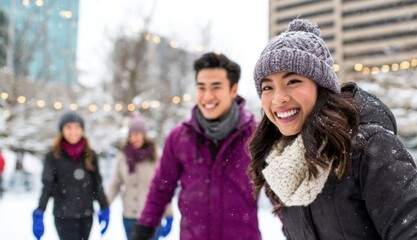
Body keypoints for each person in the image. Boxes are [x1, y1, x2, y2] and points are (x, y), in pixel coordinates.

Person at [248, 18, 417, 239]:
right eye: (267, 87)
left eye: (293, 81)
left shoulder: (370, 148)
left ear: (321, 87)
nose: (278, 98)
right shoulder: (282, 166)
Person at [131, 52, 262, 240]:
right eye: (201, 87)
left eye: (216, 87)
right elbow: (161, 188)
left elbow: (280, 195)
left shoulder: (256, 136)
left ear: (233, 90)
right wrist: (144, 227)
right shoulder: (179, 138)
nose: (207, 96)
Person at [32, 110, 110, 240]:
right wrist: (40, 211)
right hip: (63, 215)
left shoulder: (90, 154)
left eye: (77, 127)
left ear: (82, 129)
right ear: (62, 130)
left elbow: (97, 184)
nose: (73, 131)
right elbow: (47, 186)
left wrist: (104, 207)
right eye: (68, 127)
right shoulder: (53, 156)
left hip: (86, 215)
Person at [107, 113, 173, 240]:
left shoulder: (156, 156)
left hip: (152, 216)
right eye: (131, 135)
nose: (134, 138)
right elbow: (115, 183)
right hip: (129, 216)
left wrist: (169, 214)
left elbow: (164, 186)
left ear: (144, 135)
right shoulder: (122, 156)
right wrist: (105, 206)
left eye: (137, 134)